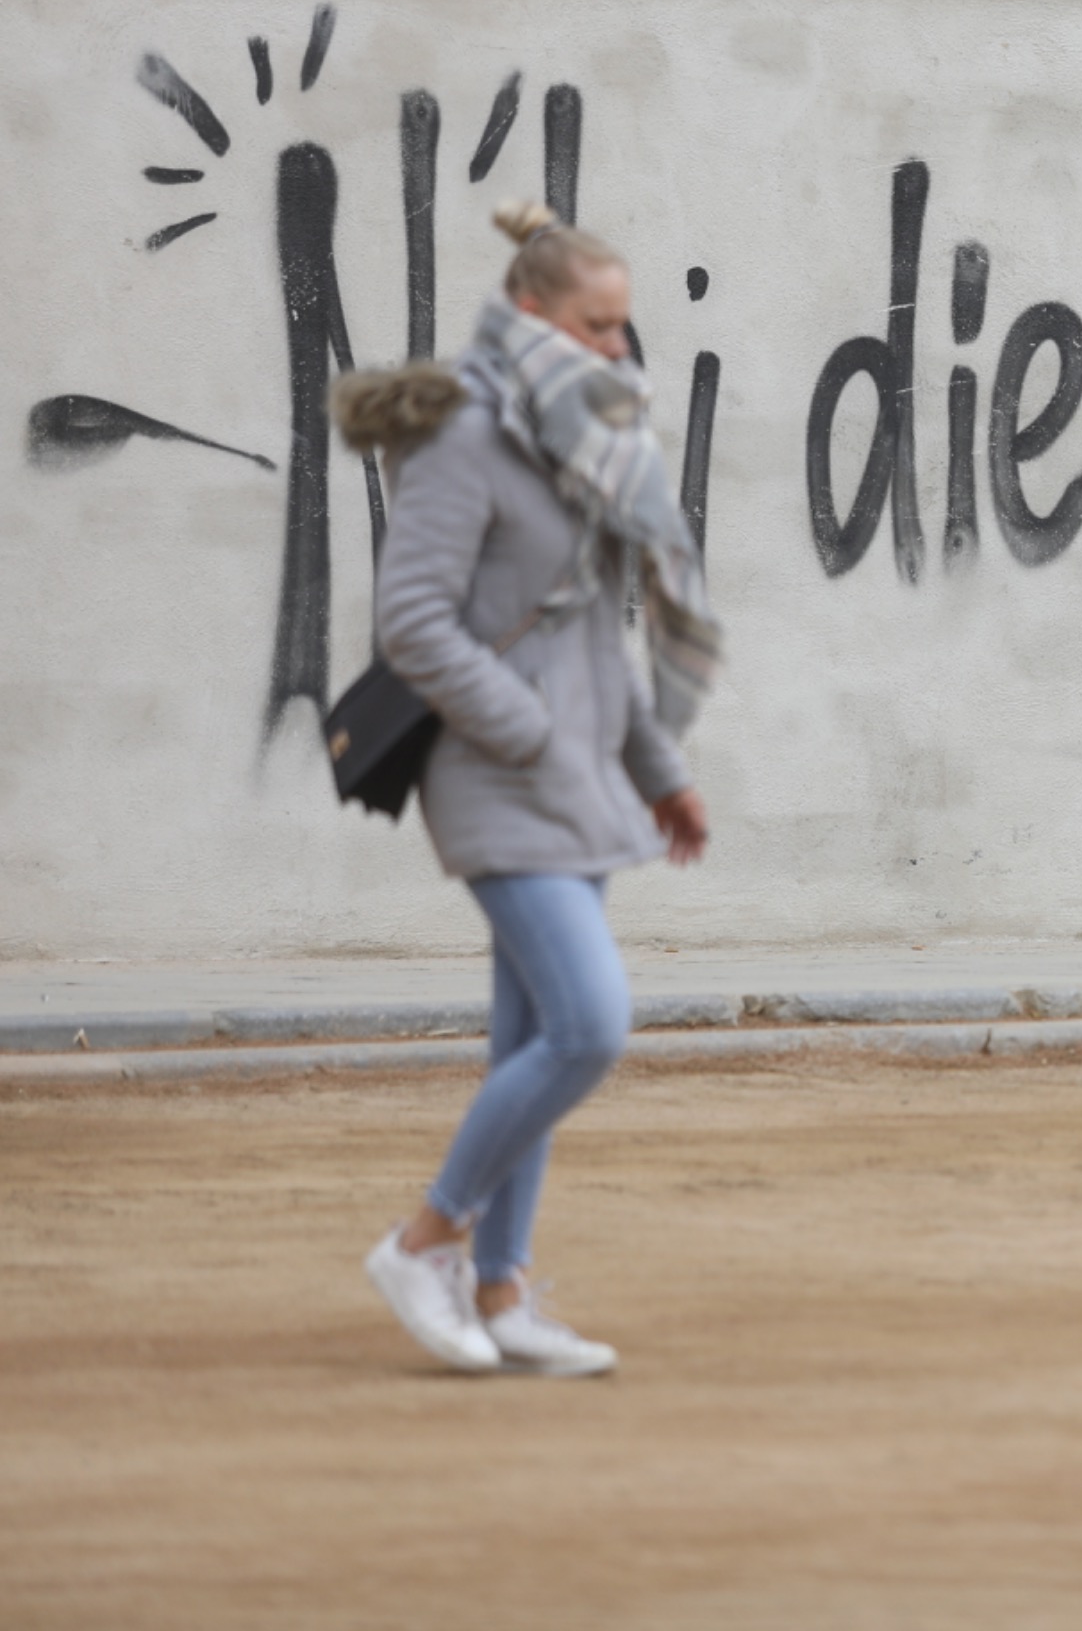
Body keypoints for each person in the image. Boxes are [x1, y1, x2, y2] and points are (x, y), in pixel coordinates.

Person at [334, 200, 722, 1378]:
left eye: (624, 326)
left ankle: (501, 1292)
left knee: (532, 1038)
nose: (617, 348)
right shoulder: (463, 435)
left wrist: (661, 771)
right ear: (533, 310)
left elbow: (598, 636)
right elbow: (412, 621)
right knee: (591, 1023)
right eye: (598, 325)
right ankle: (424, 1240)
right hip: (497, 778)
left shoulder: (584, 435)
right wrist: (530, 732)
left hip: (580, 782)